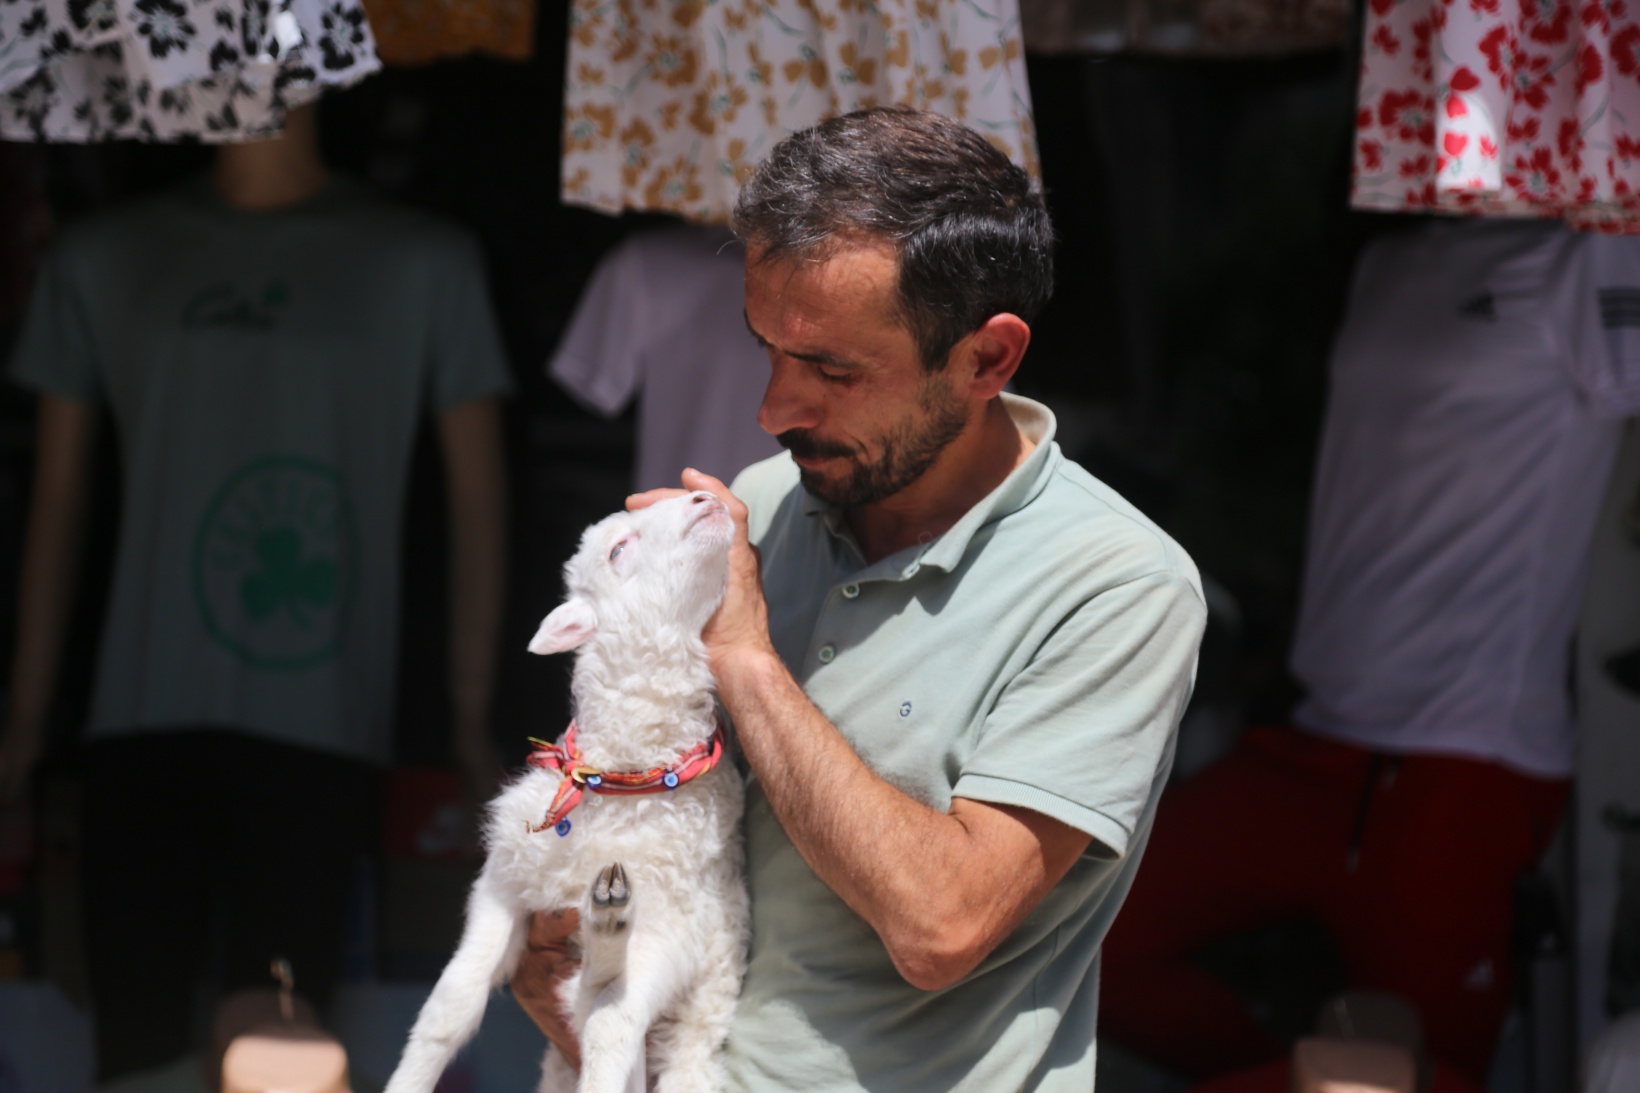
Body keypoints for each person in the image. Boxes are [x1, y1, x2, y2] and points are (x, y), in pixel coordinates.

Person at [510, 106, 1207, 1092]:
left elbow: (941, 926)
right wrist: (576, 976)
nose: (772, 409)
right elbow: (649, 835)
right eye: (766, 349)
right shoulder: (760, 505)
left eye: (832, 370)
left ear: (987, 359)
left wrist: (746, 659)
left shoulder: (1116, 585)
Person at [0, 103, 512, 1080]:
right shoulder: (107, 256)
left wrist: (468, 713)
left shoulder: (421, 263)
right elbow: (59, 494)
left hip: (321, 722)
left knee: (282, 1042)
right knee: (136, 1046)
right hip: (137, 710)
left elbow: (476, 497)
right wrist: (26, 713)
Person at [1101, 217, 1640, 1085]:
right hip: (1316, 748)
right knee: (1078, 934)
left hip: (1464, 765)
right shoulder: (1391, 257)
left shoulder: (1592, 249)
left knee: (1435, 1073)